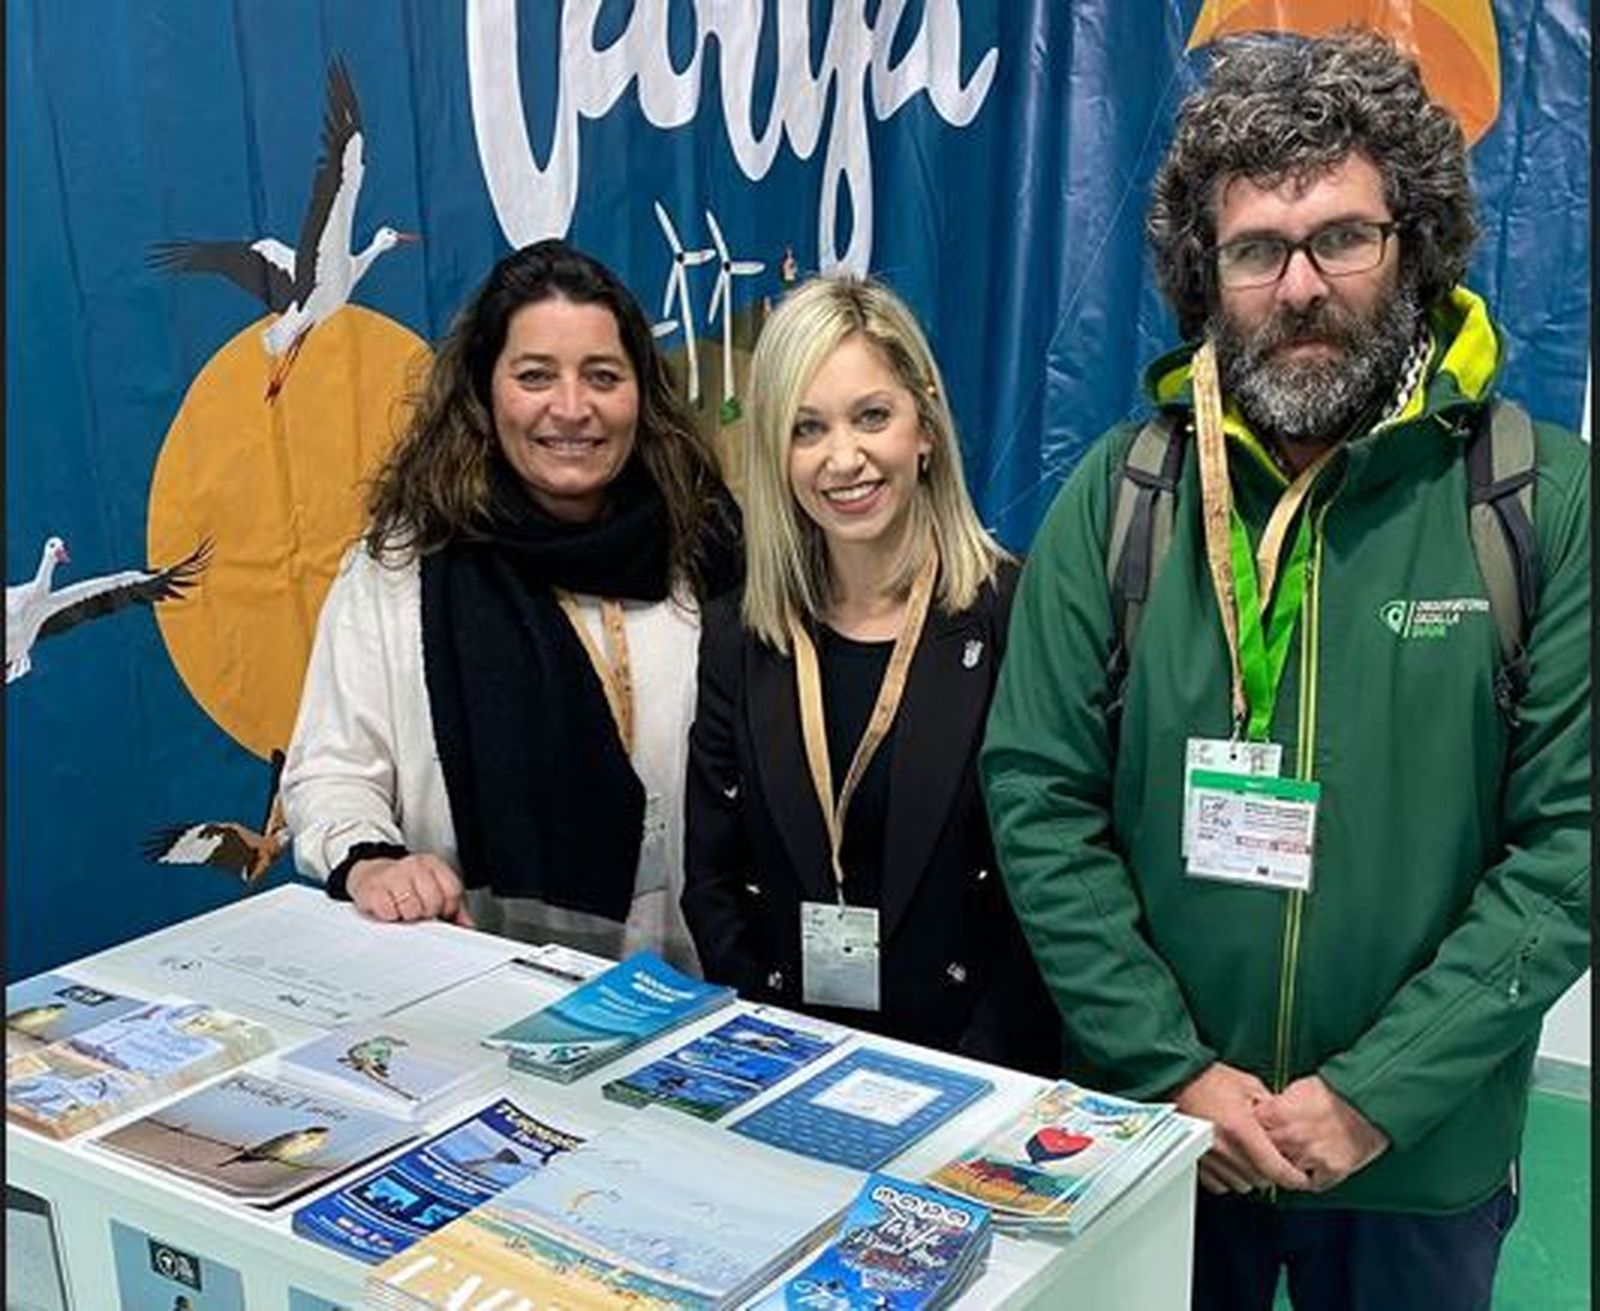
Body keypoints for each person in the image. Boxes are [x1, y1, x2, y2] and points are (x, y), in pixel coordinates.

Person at [982, 29, 1589, 1311]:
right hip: (1169, 1149)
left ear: (1414, 246)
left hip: (1416, 1168)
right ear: (1207, 276)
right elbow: (1036, 796)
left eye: (1342, 237)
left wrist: (1375, 1095)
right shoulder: (1125, 496)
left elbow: (1570, 845)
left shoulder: (1539, 502)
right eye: (1256, 249)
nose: (1299, 284)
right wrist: (1167, 1069)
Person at [281, 239, 739, 970]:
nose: (571, 408)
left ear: (641, 393)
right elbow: (331, 772)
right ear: (483, 392)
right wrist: (370, 859)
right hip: (485, 982)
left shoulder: (709, 548)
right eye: (534, 375)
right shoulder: (403, 567)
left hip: (701, 980)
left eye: (602, 376)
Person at [683, 275, 1059, 1072]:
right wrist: (773, 1051)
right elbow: (714, 879)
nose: (842, 458)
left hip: (976, 1075)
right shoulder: (739, 634)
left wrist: (979, 1071)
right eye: (806, 428)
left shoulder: (1017, 616)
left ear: (924, 425)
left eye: (872, 416)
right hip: (787, 1062)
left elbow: (1059, 882)